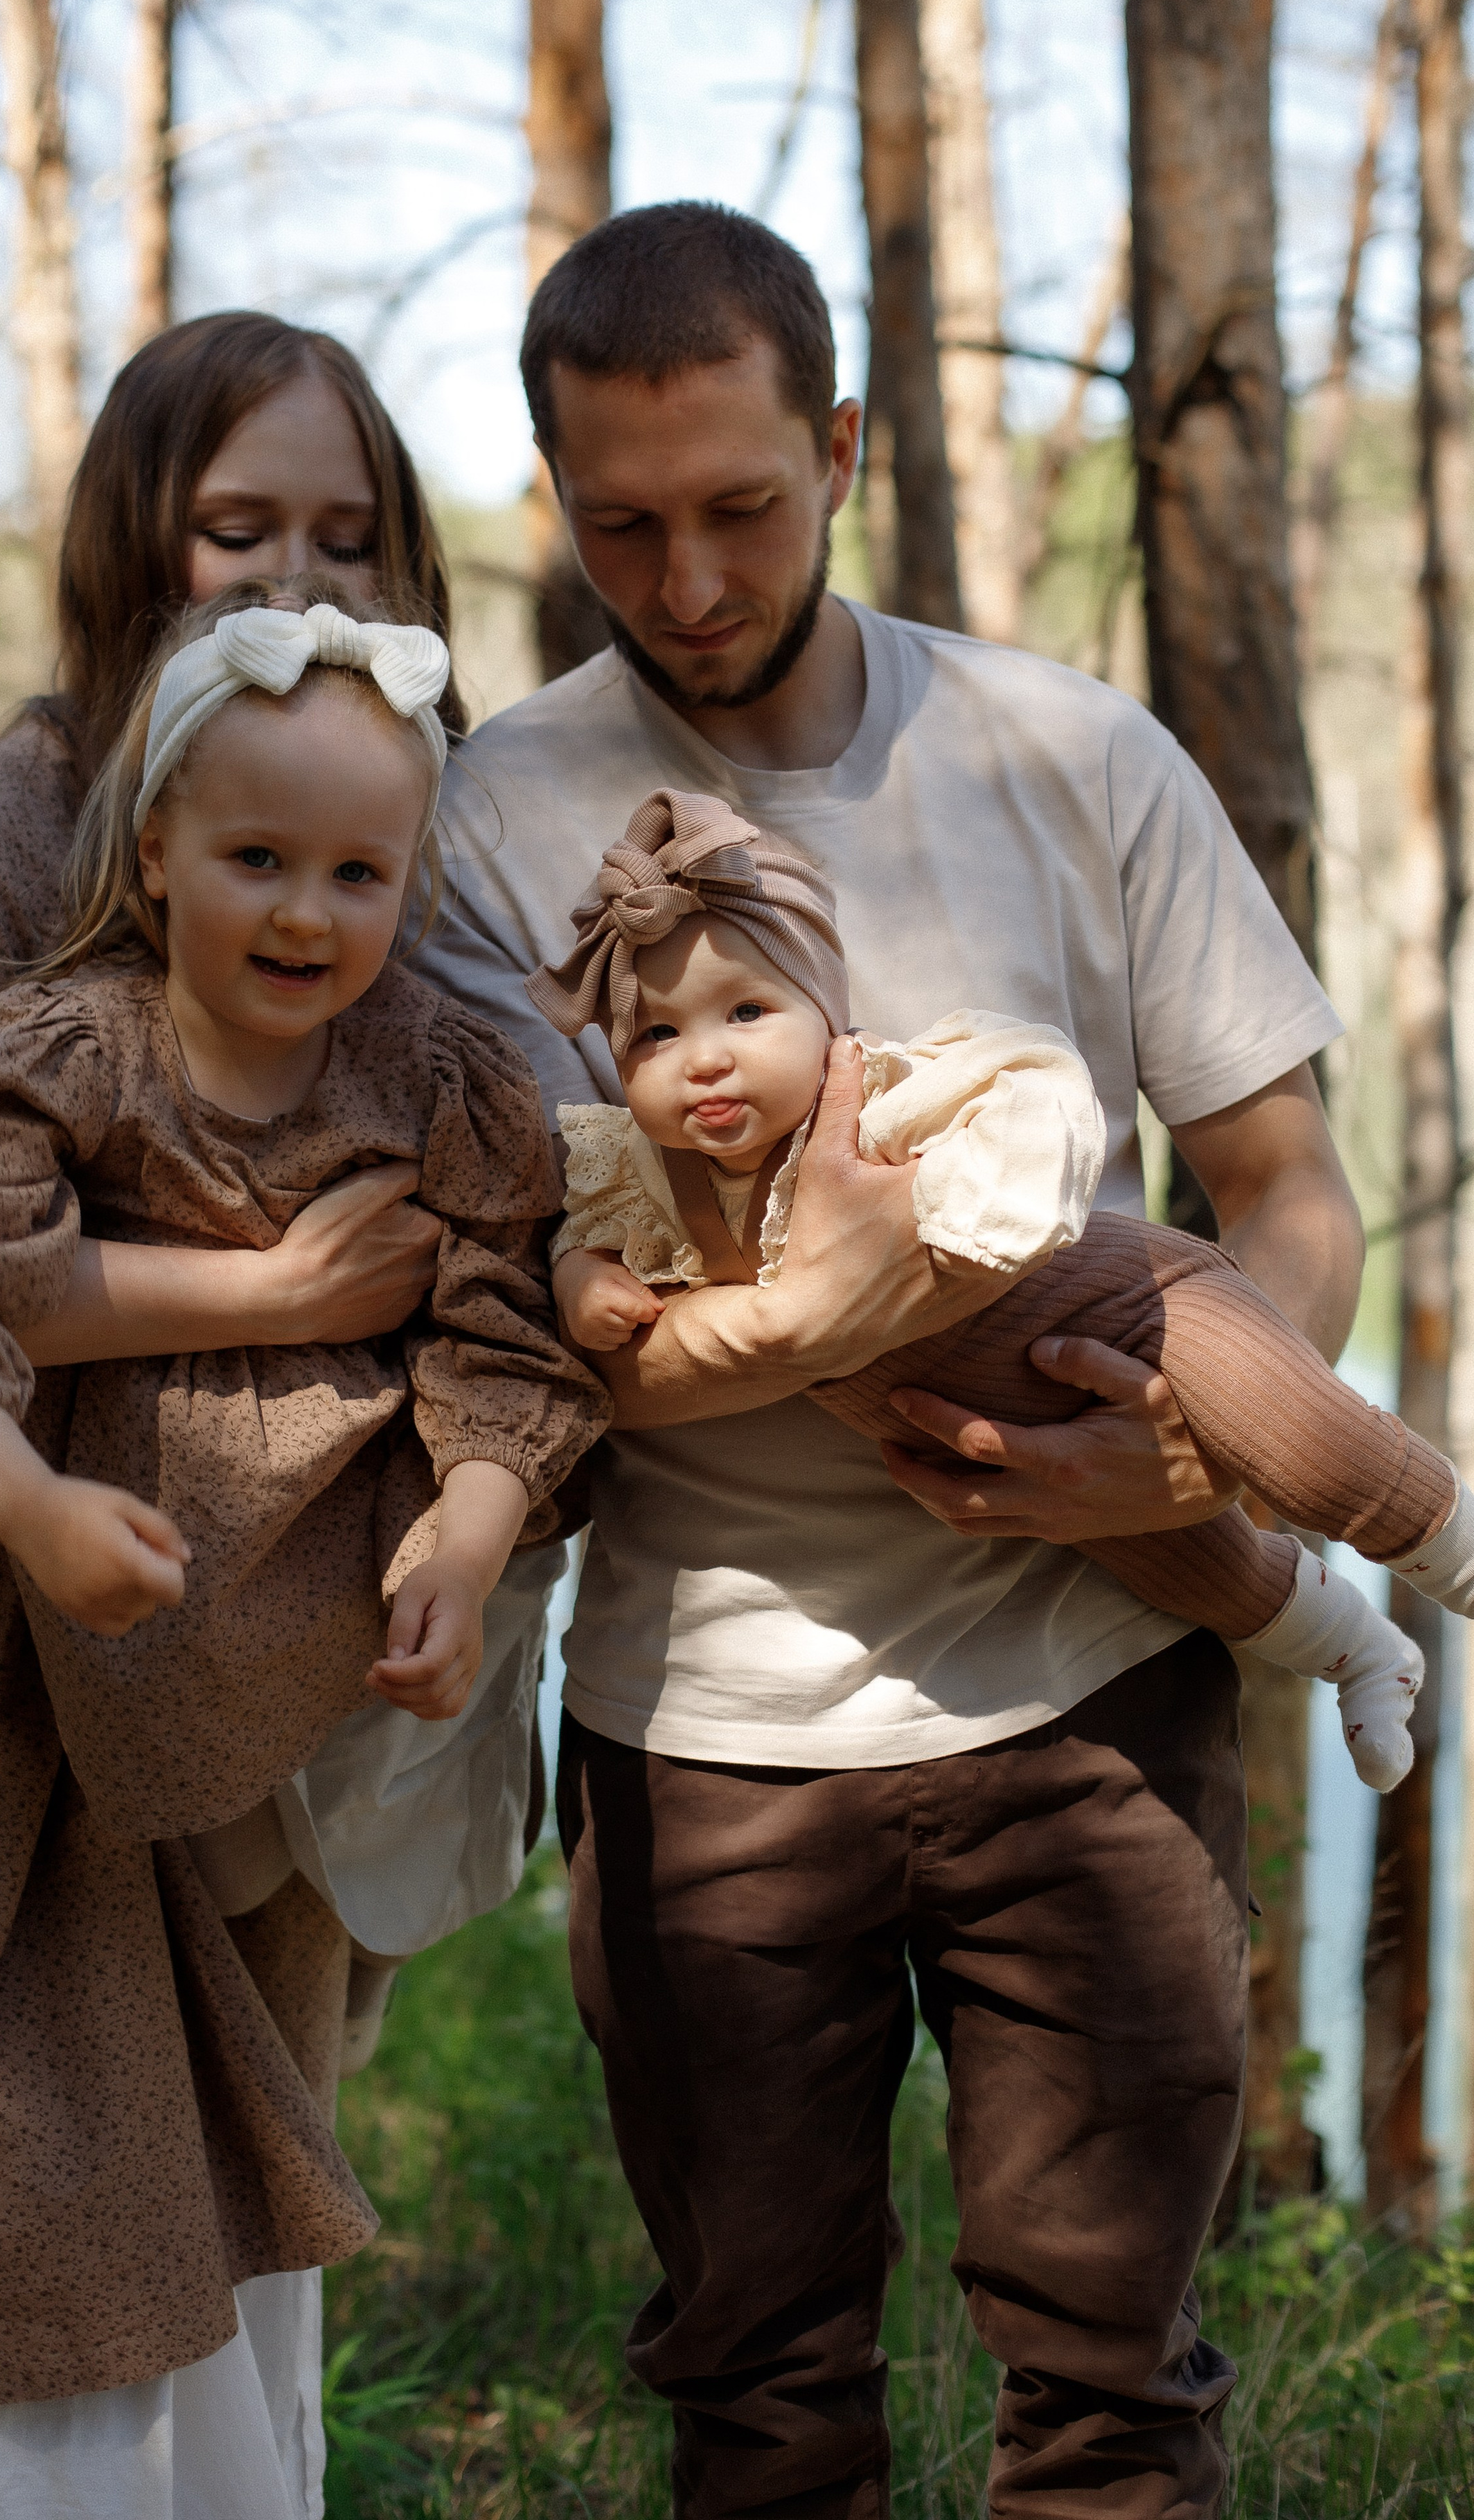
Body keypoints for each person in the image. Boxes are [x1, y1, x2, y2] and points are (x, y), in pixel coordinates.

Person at [417, 203, 1366, 2518]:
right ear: (553, 495)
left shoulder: (1072, 753)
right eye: (624, 522)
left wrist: (1185, 1468)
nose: (694, 572)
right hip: (705, 1743)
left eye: (744, 503)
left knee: (1118, 2400)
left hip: (1098, 1702)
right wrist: (813, 1328)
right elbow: (509, 1343)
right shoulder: (481, 828)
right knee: (759, 2403)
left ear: (840, 444)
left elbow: (1291, 1187)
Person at [0, 317, 551, 2517]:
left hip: (240, 1689)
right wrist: (258, 1287)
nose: (299, 574)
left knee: (214, 2254)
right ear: (135, 547)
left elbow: (497, 1258)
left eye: (351, 537)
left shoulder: (391, 816)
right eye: (236, 527)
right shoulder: (31, 830)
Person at [526, 782, 1459, 1794]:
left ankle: (1453, 1560)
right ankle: (1360, 1653)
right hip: (1020, 1455)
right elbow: (584, 1246)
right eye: (657, 1037)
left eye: (747, 1012)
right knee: (1192, 1568)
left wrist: (954, 1219)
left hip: (1140, 1307)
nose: (705, 1059)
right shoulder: (643, 1176)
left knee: (1310, 1449)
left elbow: (1041, 1102)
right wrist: (584, 1285)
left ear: (823, 1011)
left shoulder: (877, 1098)